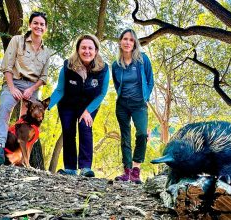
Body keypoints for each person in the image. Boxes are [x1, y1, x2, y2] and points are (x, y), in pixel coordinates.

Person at [0, 12, 51, 165]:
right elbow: (7, 67)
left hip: (32, 87)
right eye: (35, 23)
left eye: (42, 24)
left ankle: (22, 160)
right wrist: (12, 88)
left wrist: (32, 90)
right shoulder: (17, 40)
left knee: (26, 125)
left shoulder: (46, 51)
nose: (38, 26)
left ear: (45, 28)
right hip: (14, 82)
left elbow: (43, 77)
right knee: (4, 109)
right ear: (30, 25)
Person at [49, 34, 109, 177]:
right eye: (83, 48)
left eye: (90, 48)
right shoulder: (68, 65)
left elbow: (101, 94)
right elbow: (60, 89)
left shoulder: (104, 68)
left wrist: (88, 111)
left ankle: (85, 167)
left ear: (96, 51)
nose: (86, 51)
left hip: (89, 104)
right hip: (68, 103)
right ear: (77, 49)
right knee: (68, 131)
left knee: (85, 127)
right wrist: (46, 106)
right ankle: (70, 168)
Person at [112, 29, 154, 184]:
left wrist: (146, 97)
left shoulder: (143, 60)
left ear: (135, 42)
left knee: (142, 134)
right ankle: (127, 172)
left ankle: (136, 171)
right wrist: (123, 96)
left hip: (139, 104)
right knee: (125, 137)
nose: (127, 42)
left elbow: (150, 81)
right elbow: (117, 85)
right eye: (125, 39)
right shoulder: (116, 65)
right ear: (120, 42)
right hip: (122, 104)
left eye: (131, 39)